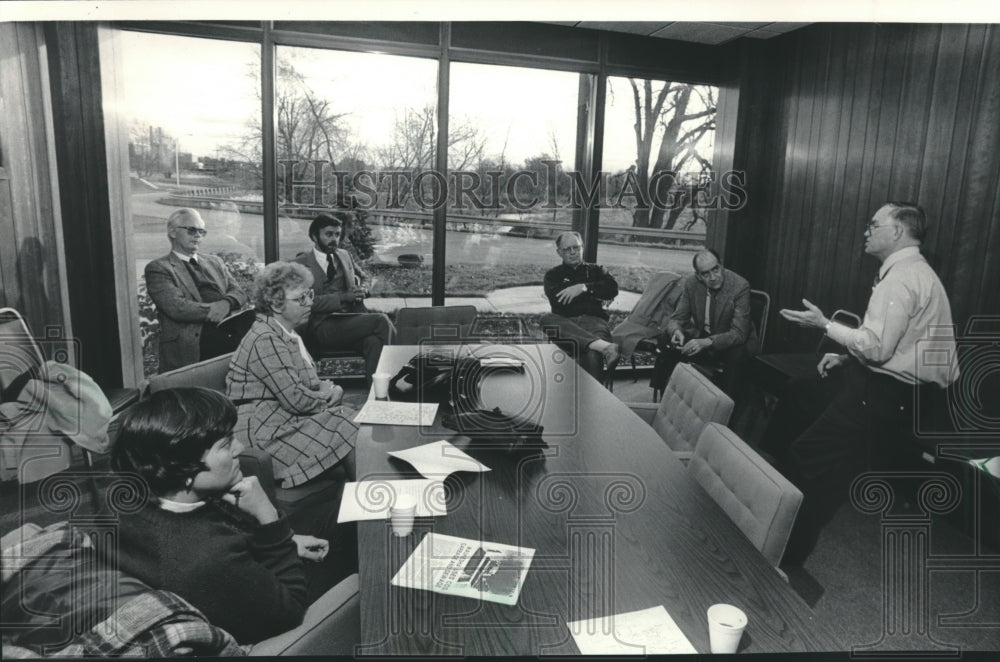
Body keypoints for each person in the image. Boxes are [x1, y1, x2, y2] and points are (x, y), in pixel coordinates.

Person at [776, 202, 959, 565]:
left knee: (809, 461)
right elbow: (905, 345)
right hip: (894, 392)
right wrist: (847, 359)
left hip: (886, 397)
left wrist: (824, 325)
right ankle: (779, 540)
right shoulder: (915, 273)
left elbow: (877, 347)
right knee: (801, 397)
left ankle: (781, 555)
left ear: (897, 232)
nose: (866, 231)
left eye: (874, 225)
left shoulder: (902, 279)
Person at [109, 387, 355, 645]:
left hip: (246, 571)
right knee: (361, 545)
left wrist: (286, 541)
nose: (240, 447)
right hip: (284, 607)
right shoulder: (205, 558)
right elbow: (290, 612)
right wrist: (269, 518)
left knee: (344, 510)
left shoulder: (137, 500)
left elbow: (224, 536)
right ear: (184, 467)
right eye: (226, 444)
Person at [227, 261, 357, 489]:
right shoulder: (265, 338)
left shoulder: (285, 332)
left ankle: (361, 493)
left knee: (350, 418)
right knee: (349, 423)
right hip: (263, 431)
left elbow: (305, 384)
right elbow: (296, 398)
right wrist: (328, 396)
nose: (310, 303)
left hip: (279, 416)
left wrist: (327, 391)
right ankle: (369, 502)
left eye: (310, 295)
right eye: (300, 299)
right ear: (276, 305)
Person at [292, 212, 394, 382]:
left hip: (350, 320)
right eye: (329, 234)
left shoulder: (344, 255)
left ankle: (378, 395)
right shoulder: (300, 264)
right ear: (314, 237)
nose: (334, 239)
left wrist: (364, 289)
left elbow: (365, 277)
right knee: (380, 320)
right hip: (321, 326)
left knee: (373, 342)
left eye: (337, 234)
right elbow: (304, 302)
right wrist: (344, 297)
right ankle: (403, 372)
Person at [145, 208, 249, 372]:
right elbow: (177, 307)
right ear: (172, 232)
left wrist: (227, 302)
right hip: (192, 344)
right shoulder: (159, 268)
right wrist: (216, 309)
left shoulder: (215, 261)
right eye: (192, 230)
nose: (198, 235)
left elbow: (239, 293)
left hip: (229, 333)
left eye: (202, 231)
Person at [652, 248, 758, 397]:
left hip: (732, 343)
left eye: (715, 269)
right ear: (699, 276)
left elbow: (739, 334)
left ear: (721, 266)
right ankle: (667, 397)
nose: (713, 277)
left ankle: (727, 408)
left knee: (737, 354)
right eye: (706, 273)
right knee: (666, 337)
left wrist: (706, 342)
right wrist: (677, 332)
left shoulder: (739, 286)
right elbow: (676, 319)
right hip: (704, 337)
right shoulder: (691, 283)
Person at [541, 231, 620, 383]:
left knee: (591, 354)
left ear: (582, 248)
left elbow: (612, 288)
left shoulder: (597, 270)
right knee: (546, 319)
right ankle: (605, 347)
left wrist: (583, 287)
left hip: (594, 322)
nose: (572, 252)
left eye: (576, 248)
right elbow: (558, 301)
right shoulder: (553, 275)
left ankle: (594, 401)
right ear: (559, 252)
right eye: (567, 249)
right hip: (566, 325)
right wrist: (594, 293)